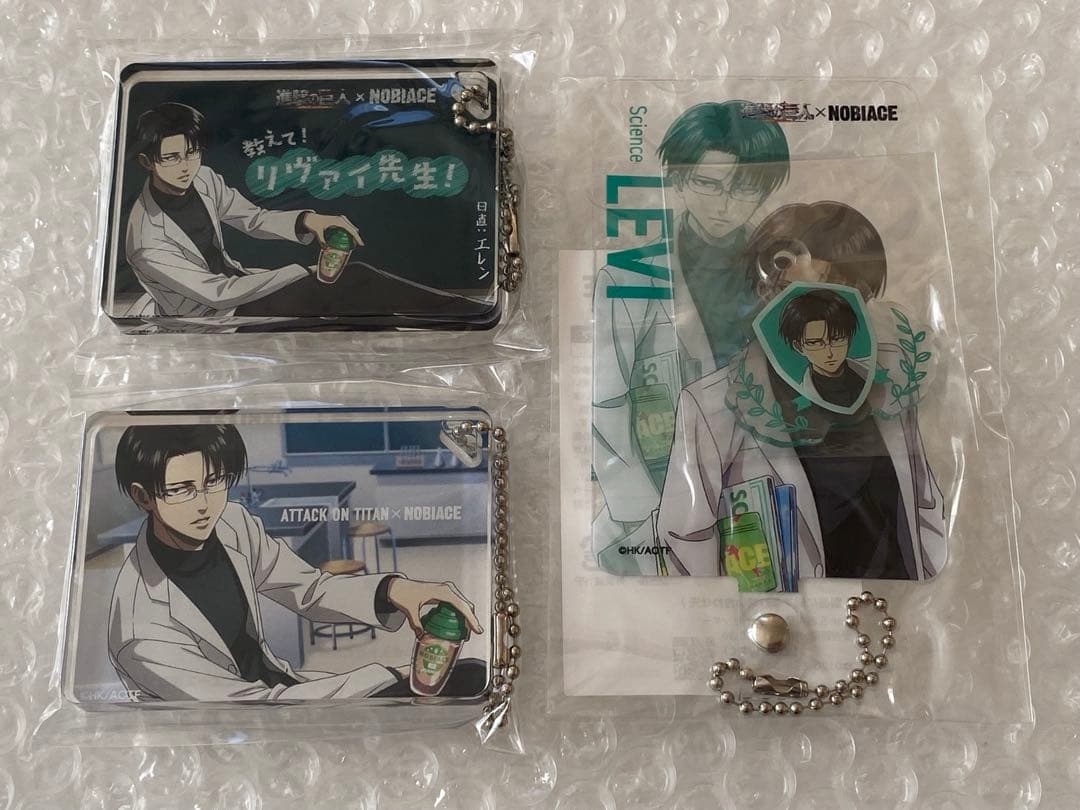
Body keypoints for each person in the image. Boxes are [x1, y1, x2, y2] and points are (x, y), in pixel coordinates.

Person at [655, 206, 946, 584]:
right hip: (786, 614)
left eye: (845, 293)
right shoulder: (712, 405)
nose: (823, 314)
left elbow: (924, 503)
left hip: (895, 604)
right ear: (765, 291)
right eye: (803, 295)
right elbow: (684, 537)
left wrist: (931, 591)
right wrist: (738, 614)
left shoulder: (889, 386)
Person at [107, 423, 484, 701]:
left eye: (214, 481)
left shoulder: (232, 523)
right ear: (143, 497)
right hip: (236, 737)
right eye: (182, 490)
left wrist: (394, 590)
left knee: (469, 676)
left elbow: (308, 589)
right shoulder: (141, 631)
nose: (205, 505)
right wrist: (384, 677)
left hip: (282, 689)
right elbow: (248, 708)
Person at [592, 101, 789, 574]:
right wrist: (643, 509)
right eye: (708, 184)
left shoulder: (787, 274)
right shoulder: (627, 278)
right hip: (657, 500)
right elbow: (605, 404)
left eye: (745, 188)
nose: (725, 204)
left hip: (764, 490)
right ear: (678, 181)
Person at [125, 102, 363, 319]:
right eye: (171, 158)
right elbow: (216, 294)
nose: (186, 167)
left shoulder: (203, 178)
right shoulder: (146, 241)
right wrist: (299, 273)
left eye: (192, 152)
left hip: (241, 285)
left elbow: (252, 219)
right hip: (209, 317)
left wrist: (309, 220)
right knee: (343, 294)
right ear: (147, 162)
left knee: (357, 278)